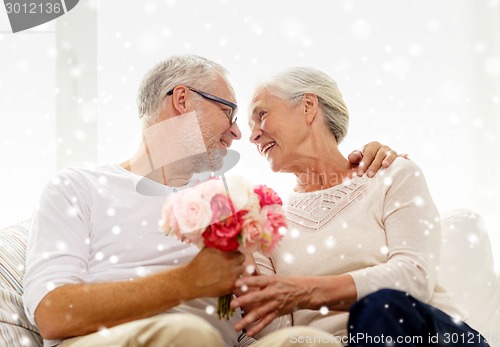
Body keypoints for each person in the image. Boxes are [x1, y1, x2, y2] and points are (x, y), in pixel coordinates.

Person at [23, 55, 398, 347]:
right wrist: (189, 281)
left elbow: (261, 313)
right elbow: (52, 313)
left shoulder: (228, 200)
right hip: (120, 339)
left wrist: (365, 164)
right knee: (187, 335)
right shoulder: (77, 188)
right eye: (228, 112)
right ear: (182, 99)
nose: (238, 132)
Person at [232, 66, 490, 346]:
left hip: (431, 336)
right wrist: (242, 250)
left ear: (308, 106)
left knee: (380, 306)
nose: (253, 136)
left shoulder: (391, 174)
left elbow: (415, 276)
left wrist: (306, 291)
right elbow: (274, 332)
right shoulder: (266, 221)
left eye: (262, 115)